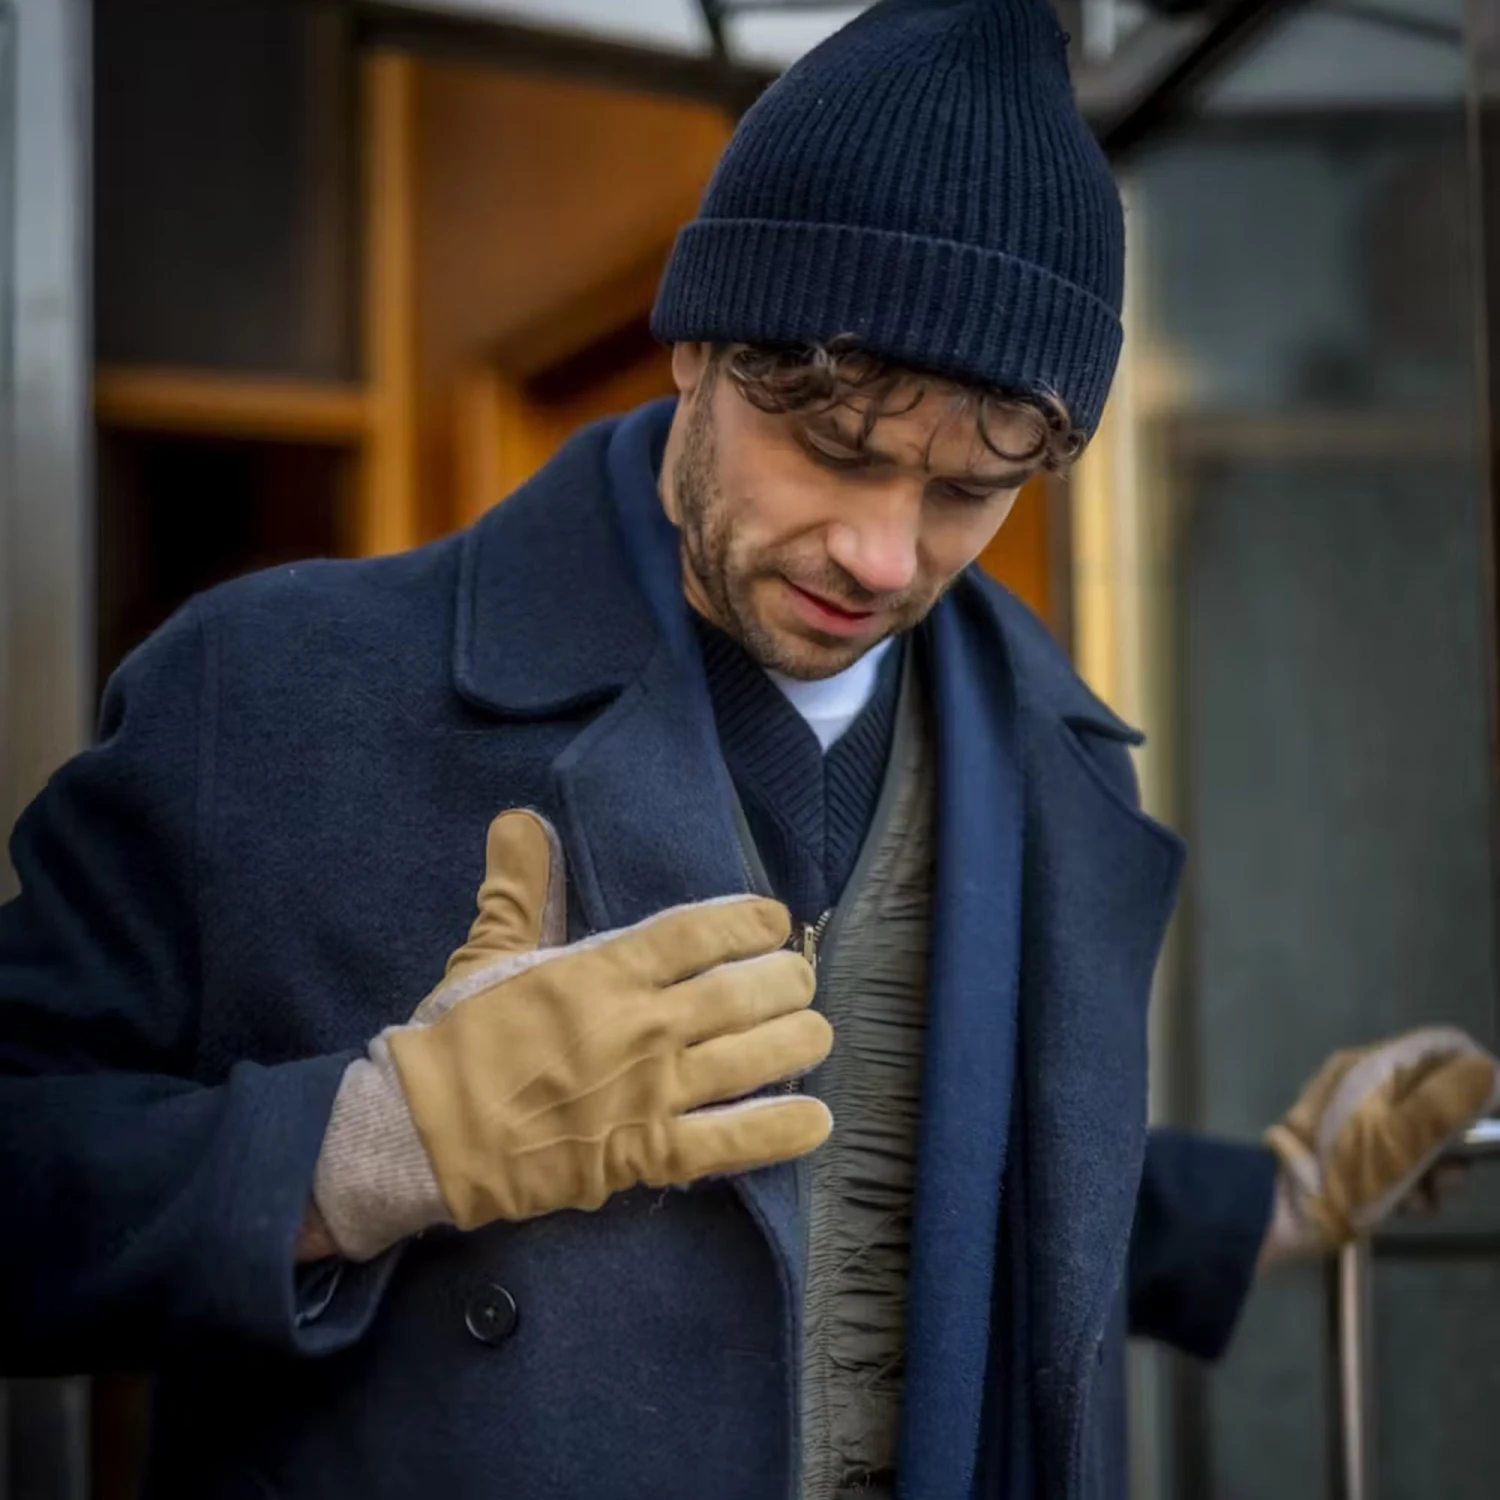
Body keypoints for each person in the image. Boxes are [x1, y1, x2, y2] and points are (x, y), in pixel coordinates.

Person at [2, 2, 1496, 1497]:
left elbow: (926, 1183)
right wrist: (362, 1154)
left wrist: (1274, 1202)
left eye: (971, 492)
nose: (882, 552)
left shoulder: (1058, 758)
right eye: (840, 452)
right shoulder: (267, 690)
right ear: (698, 348)